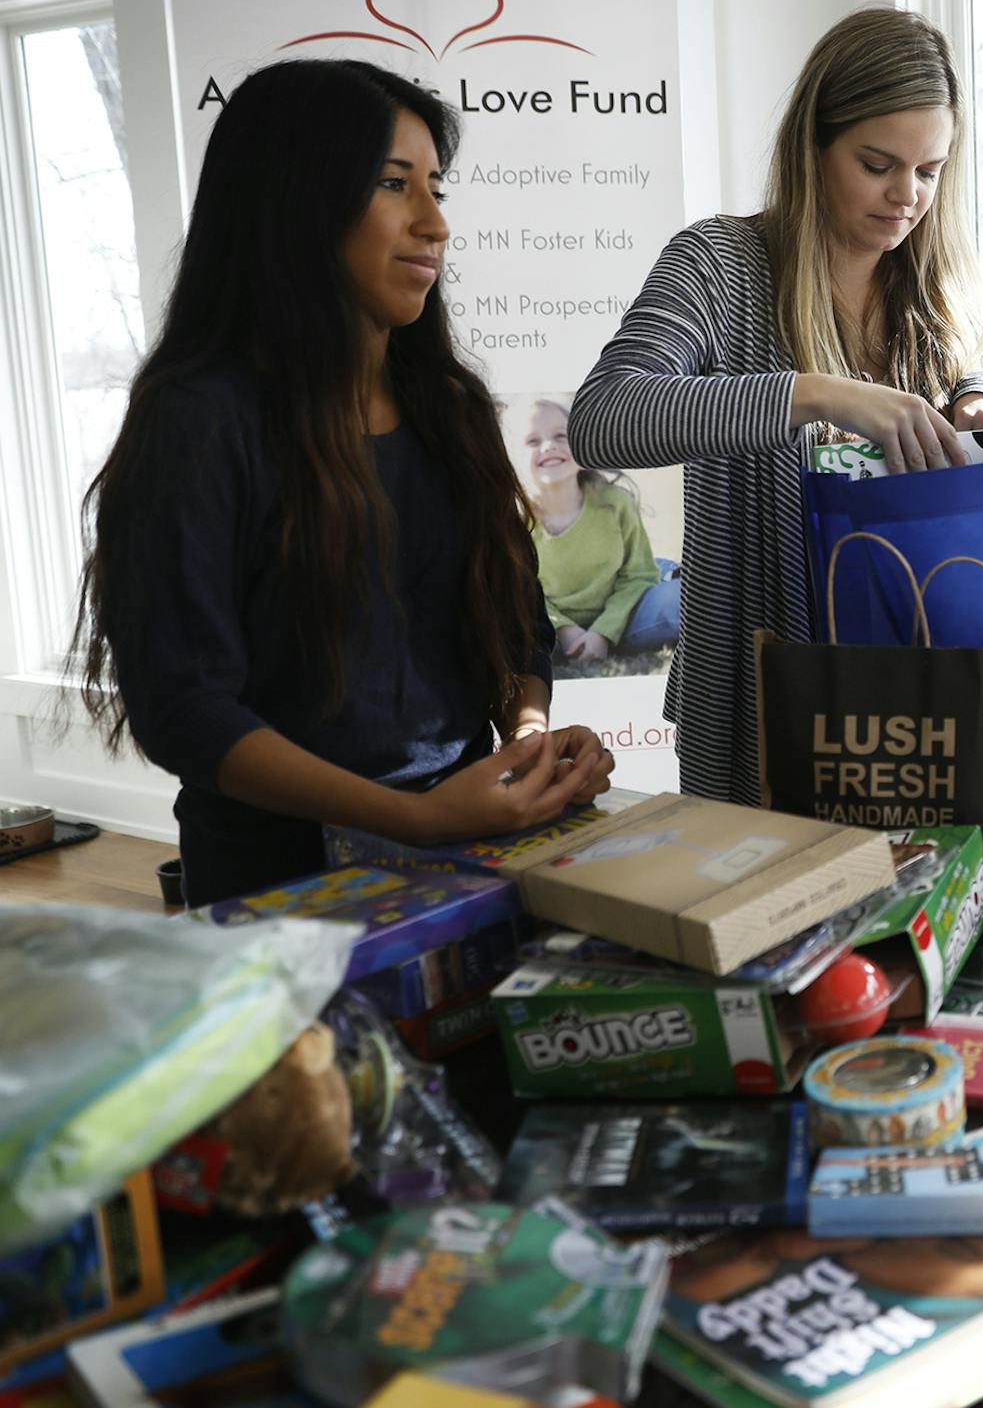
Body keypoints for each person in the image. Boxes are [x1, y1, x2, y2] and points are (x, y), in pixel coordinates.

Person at [71, 59, 610, 906]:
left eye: (437, 187)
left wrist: (529, 743)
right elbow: (186, 709)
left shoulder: (449, 407)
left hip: (474, 860)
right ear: (295, 201)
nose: (435, 223)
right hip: (281, 888)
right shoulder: (198, 420)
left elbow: (516, 626)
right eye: (395, 185)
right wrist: (414, 816)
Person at [569, 8, 983, 804]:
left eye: (930, 170)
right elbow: (605, 416)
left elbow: (976, 369)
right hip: (757, 712)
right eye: (877, 163)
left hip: (924, 708)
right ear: (813, 144)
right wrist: (813, 394)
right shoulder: (719, 263)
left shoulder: (932, 286)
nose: (906, 196)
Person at [512, 396, 680, 669]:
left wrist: (603, 633)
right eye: (533, 441)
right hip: (547, 628)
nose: (549, 446)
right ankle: (667, 570)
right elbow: (518, 591)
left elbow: (638, 576)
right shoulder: (513, 521)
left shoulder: (614, 503)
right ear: (512, 459)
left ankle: (669, 572)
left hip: (625, 616)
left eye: (560, 436)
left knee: (682, 598)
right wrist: (566, 631)